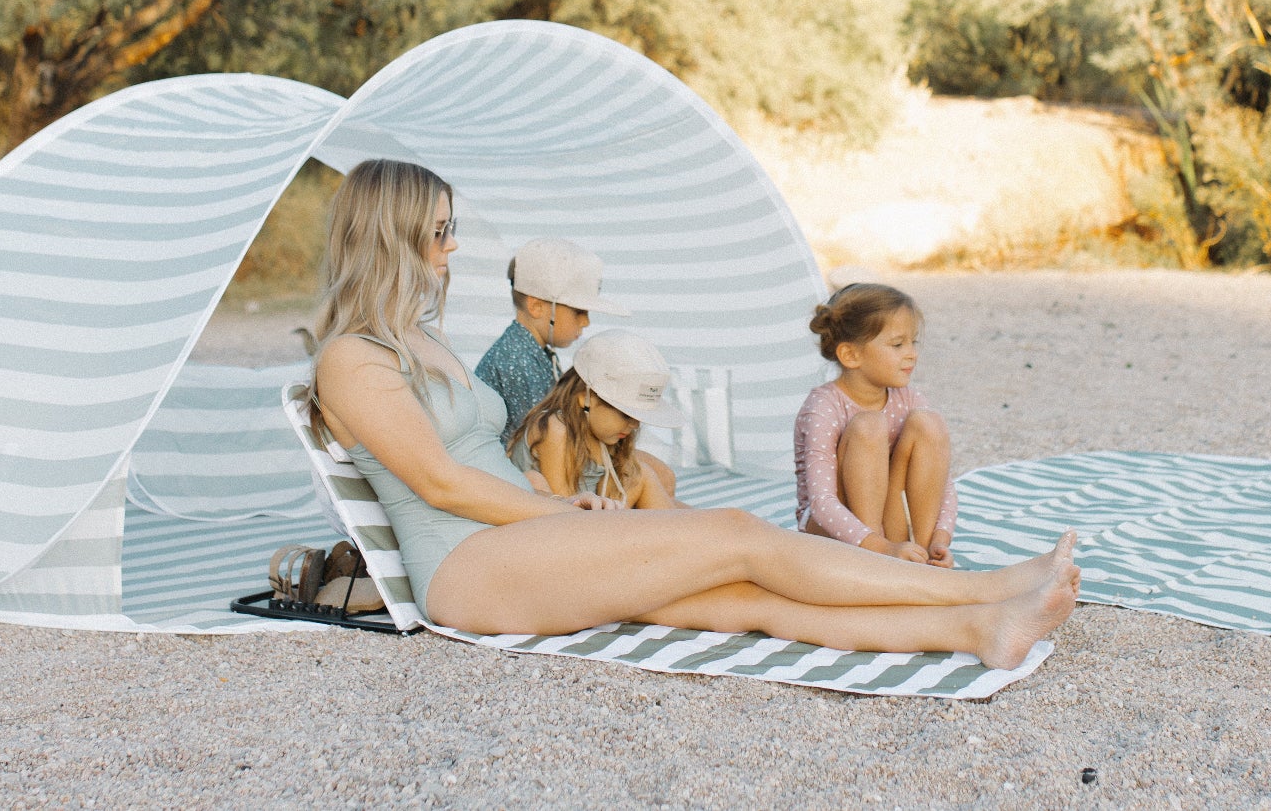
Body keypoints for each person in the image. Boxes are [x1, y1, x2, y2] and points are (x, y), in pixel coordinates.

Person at [309, 158, 1080, 669]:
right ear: (395, 235)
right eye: (440, 230)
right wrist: (560, 507)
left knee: (744, 598)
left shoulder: (417, 338)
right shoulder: (352, 357)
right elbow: (441, 483)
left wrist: (555, 506)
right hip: (467, 562)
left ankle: (980, 630)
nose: (452, 245)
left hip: (513, 531)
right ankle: (983, 587)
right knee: (739, 534)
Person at [794, 283, 958, 567]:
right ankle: (874, 561)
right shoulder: (823, 406)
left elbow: (942, 483)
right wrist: (879, 546)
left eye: (913, 342)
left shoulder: (909, 399)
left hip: (887, 530)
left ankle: (922, 557)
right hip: (833, 531)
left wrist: (939, 540)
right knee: (869, 425)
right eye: (897, 344)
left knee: (929, 423)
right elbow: (821, 505)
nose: (912, 354)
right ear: (851, 355)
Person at [507, 329, 683, 508]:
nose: (635, 424)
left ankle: (687, 529)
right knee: (643, 475)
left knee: (646, 474)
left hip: (593, 512)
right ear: (586, 398)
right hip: (554, 517)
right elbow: (565, 507)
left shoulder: (604, 433)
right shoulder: (557, 428)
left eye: (638, 416)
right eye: (626, 414)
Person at [473, 237, 628, 428]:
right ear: (536, 306)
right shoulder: (517, 359)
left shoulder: (533, 352)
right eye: (578, 311)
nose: (586, 322)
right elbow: (542, 436)